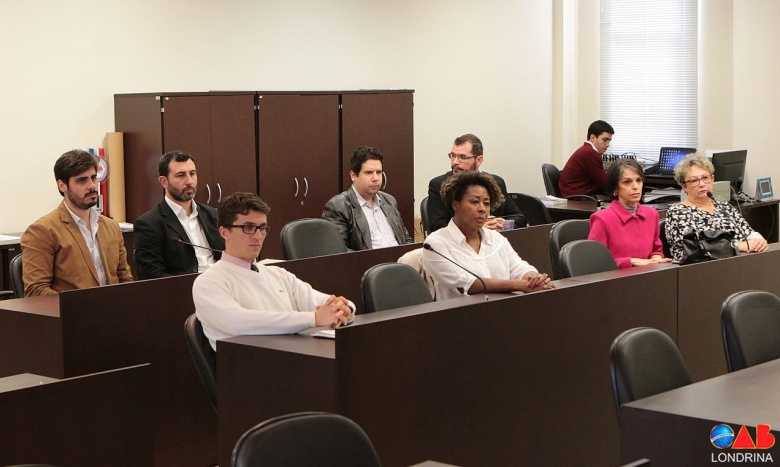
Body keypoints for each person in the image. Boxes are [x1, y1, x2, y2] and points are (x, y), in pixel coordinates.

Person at [192, 192, 354, 350]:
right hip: (247, 363)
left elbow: (322, 301)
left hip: (293, 356)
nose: (258, 236)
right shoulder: (208, 282)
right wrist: (313, 318)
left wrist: (343, 309)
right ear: (224, 232)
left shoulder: (278, 274)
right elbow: (239, 322)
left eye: (262, 228)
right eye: (248, 227)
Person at [422, 172, 552, 301]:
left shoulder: (496, 238)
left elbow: (518, 267)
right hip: (460, 312)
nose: (482, 209)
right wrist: (520, 285)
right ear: (456, 205)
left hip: (503, 308)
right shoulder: (435, 244)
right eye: (475, 202)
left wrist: (533, 277)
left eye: (486, 203)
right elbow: (468, 284)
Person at [21, 149, 133, 296]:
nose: (92, 186)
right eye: (81, 180)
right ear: (62, 186)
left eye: (93, 178)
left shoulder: (111, 226)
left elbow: (125, 280)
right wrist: (81, 306)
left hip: (113, 308)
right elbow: (36, 291)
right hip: (70, 310)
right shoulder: (42, 231)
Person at [133, 150, 224, 279]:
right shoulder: (149, 224)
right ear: (164, 182)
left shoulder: (212, 214)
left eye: (192, 173)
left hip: (223, 283)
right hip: (186, 287)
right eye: (181, 175)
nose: (189, 181)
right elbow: (153, 276)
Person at [665, 153, 768, 262]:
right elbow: (694, 248)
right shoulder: (678, 212)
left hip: (736, 263)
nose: (702, 184)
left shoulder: (725, 207)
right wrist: (736, 246)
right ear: (684, 186)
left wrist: (759, 241)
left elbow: (749, 233)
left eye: (705, 178)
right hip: (698, 268)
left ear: (712, 179)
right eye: (694, 181)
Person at [427, 134, 527, 233]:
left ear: (478, 160)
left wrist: (503, 225)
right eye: (453, 156)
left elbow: (519, 218)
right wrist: (477, 227)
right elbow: (437, 226)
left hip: (495, 240)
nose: (455, 162)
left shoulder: (496, 183)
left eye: (462, 157)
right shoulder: (439, 185)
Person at [322, 146, 412, 250]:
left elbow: (406, 239)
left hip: (400, 259)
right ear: (353, 175)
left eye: (379, 172)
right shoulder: (338, 207)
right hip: (369, 260)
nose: (375, 178)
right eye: (369, 173)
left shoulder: (389, 201)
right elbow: (339, 251)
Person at [588, 159, 671, 268]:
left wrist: (656, 258)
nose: (635, 186)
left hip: (648, 274)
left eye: (638, 180)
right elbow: (596, 261)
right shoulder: (602, 219)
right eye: (627, 182)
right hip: (616, 277)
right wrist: (631, 261)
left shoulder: (652, 214)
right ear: (615, 188)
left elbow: (656, 250)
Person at [559, 120, 613, 198]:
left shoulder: (587, 150)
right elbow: (605, 184)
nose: (608, 145)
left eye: (609, 141)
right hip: (577, 199)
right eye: (605, 140)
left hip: (577, 195)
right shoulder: (589, 153)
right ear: (592, 138)